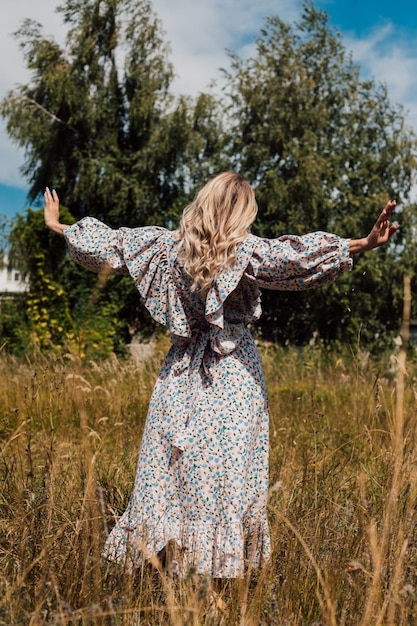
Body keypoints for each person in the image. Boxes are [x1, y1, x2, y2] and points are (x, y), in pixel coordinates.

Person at [44, 172, 397, 578]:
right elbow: (298, 261)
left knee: (170, 469)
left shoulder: (162, 248)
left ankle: (169, 569)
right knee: (225, 476)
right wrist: (363, 243)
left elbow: (110, 245)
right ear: (242, 213)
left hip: (179, 374)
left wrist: (60, 227)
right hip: (233, 377)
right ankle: (213, 588)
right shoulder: (247, 253)